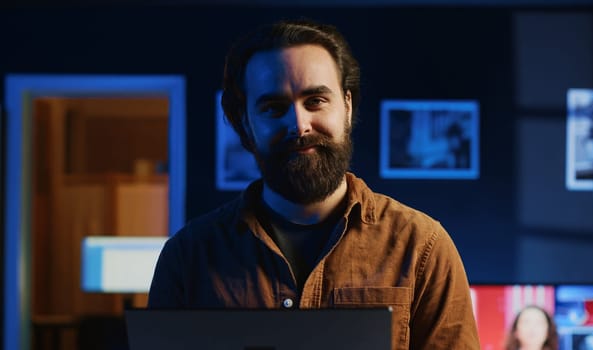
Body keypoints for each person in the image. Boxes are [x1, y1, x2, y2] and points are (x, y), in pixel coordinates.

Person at [148, 19, 480, 350]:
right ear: (245, 123)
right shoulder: (188, 256)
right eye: (274, 107)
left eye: (316, 101)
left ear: (346, 107)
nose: (298, 124)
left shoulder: (422, 247)